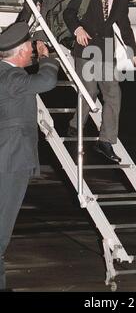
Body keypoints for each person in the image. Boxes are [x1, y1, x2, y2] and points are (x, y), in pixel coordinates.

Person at [63, 0, 136, 163]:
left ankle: (105, 141)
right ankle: (75, 125)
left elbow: (124, 27)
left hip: (106, 51)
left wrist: (133, 52)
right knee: (90, 91)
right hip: (86, 48)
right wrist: (77, 28)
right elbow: (69, 13)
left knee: (113, 94)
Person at [0, 22, 59, 291]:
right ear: (20, 51)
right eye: (30, 51)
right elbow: (46, 81)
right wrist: (48, 57)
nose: (32, 55)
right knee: (2, 227)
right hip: (11, 161)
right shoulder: (11, 78)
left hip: (8, 157)